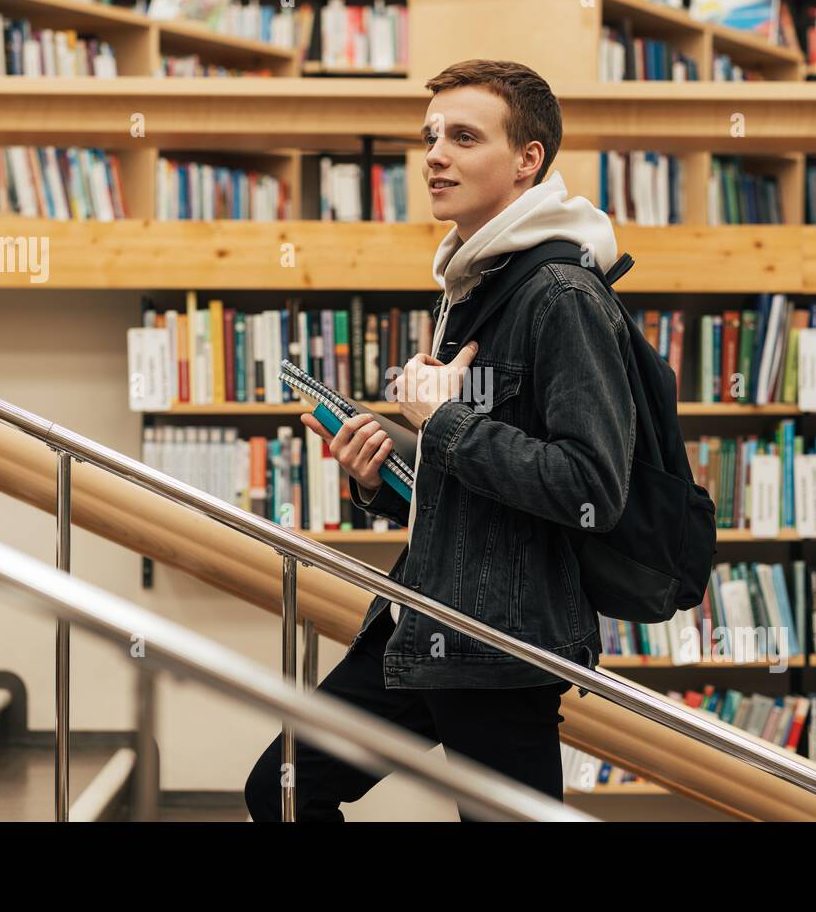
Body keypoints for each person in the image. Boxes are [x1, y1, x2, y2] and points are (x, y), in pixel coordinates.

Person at [244, 59, 635, 821]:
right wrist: (381, 471)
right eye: (430, 137)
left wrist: (443, 422)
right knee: (285, 789)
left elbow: (591, 486)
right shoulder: (472, 282)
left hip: (498, 644)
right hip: (426, 615)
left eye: (463, 136)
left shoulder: (561, 294)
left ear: (529, 160)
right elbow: (480, 484)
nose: (434, 155)